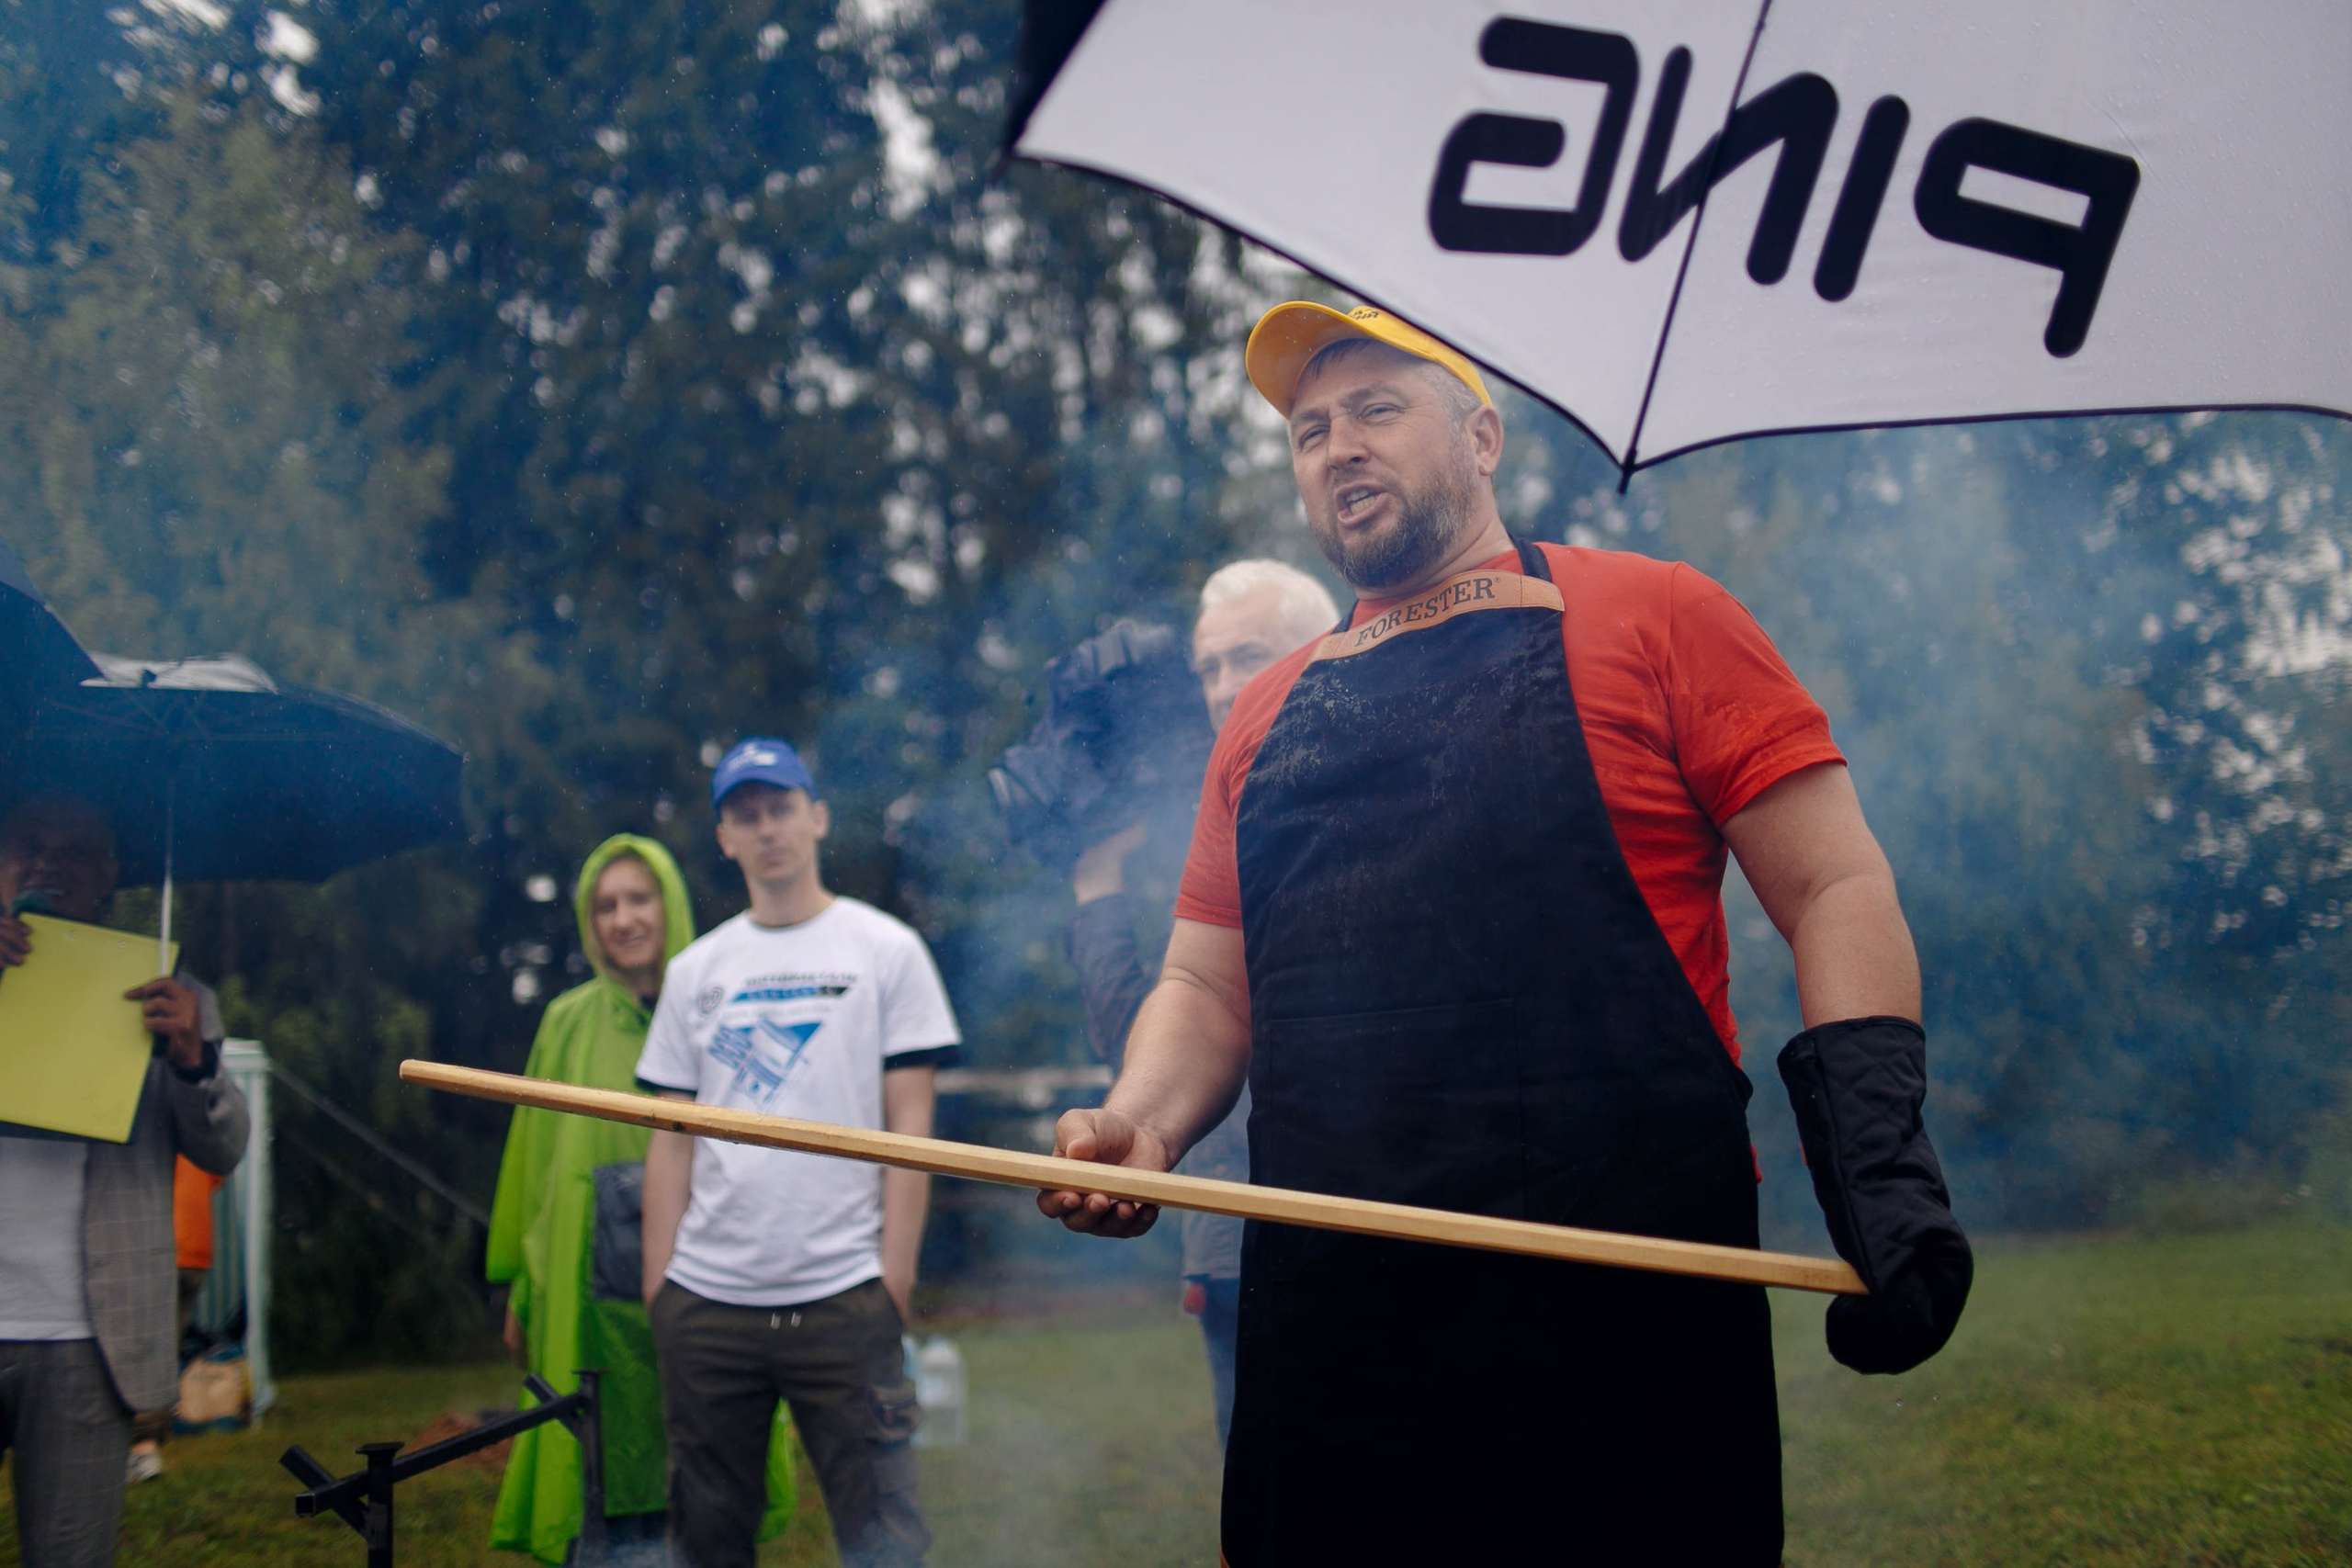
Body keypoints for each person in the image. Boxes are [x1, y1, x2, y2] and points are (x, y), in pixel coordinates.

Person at [1039, 303, 1973, 1564]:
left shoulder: (1659, 614)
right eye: (1310, 430)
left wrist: (1877, 1149)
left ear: (1480, 435)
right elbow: (1206, 979)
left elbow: (1835, 884)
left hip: (1625, 1291)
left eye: (1378, 408)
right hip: (1337, 1318)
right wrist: (1144, 1123)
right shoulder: (1265, 712)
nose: (1338, 447)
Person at [638, 740, 960, 1568]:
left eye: (780, 807)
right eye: (745, 814)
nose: (767, 827)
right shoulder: (694, 969)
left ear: (815, 817)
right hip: (708, 1299)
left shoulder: (885, 950)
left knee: (885, 1538)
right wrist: (661, 1285)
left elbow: (910, 1128)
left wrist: (893, 1275)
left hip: (844, 1293)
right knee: (708, 1540)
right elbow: (670, 1136)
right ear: (724, 838)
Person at [1064, 559, 1338, 1445]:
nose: (1224, 689)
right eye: (1208, 668)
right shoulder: (1203, 823)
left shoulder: (1381, 785)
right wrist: (1096, 880)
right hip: (1237, 1226)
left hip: (1400, 1217)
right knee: (1269, 1491)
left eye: (1246, 657)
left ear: (1326, 648)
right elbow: (1147, 1032)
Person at [485, 835, 796, 1564]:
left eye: (638, 899)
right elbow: (531, 1156)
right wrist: (517, 1283)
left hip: (704, 1277)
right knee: (592, 1449)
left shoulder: (726, 1008)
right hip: (581, 1288)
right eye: (605, 906)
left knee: (705, 1459)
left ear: (671, 904)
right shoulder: (565, 1018)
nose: (623, 919)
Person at [0, 796, 249, 1568]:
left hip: (87, 1334)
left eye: (77, 850)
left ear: (111, 874)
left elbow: (224, 1147)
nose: (50, 862)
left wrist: (190, 1058)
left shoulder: (166, 994)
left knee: (70, 1554)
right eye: (31, 844)